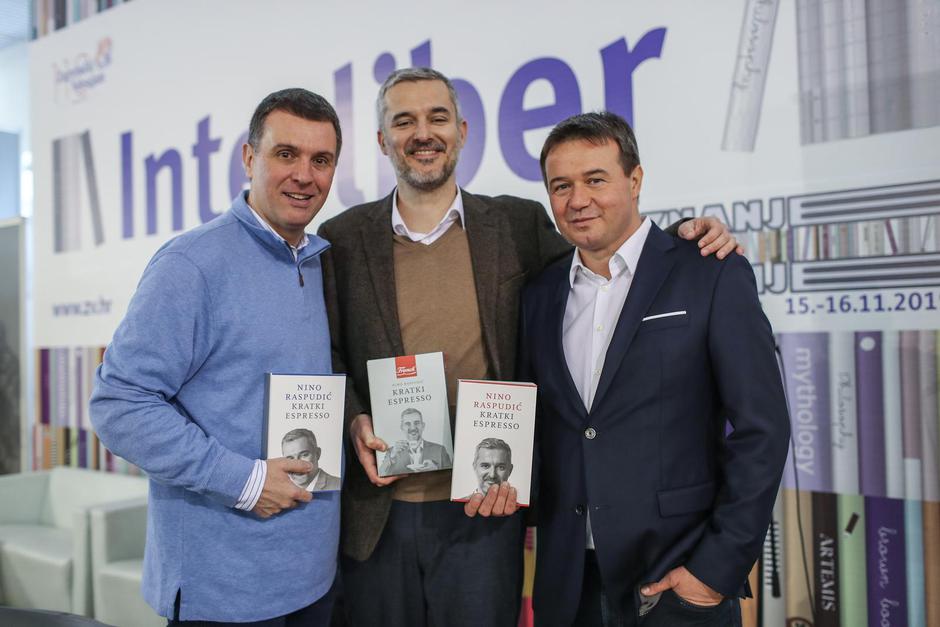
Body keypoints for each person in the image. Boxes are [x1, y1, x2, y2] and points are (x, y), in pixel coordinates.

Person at [318, 67, 742, 627]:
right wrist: (353, 419)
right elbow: (325, 352)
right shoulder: (342, 239)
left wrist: (688, 234)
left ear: (462, 131)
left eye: (437, 117)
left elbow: (611, 258)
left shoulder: (518, 223)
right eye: (404, 121)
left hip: (488, 508)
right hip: (379, 514)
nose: (423, 133)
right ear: (381, 139)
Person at [520, 111, 790, 627]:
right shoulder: (540, 293)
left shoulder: (708, 270)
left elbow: (763, 429)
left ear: (635, 179)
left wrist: (715, 570)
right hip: (568, 585)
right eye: (561, 186)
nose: (578, 200)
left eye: (595, 179)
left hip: (676, 577)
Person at [90, 88, 343, 625]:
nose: (304, 175)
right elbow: (119, 405)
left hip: (313, 579)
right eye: (286, 154)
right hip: (223, 589)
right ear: (249, 158)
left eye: (321, 160)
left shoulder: (321, 264)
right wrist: (244, 482)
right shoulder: (192, 265)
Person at [379, 407, 452, 475]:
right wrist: (392, 456)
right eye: (407, 424)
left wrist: (437, 468)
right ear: (402, 427)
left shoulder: (439, 450)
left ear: (423, 426)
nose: (413, 428)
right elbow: (381, 474)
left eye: (417, 423)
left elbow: (452, 475)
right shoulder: (392, 452)